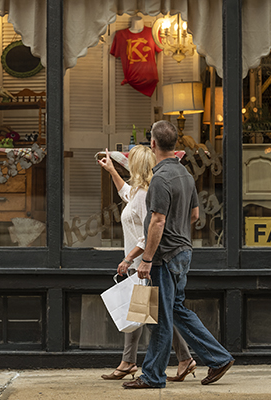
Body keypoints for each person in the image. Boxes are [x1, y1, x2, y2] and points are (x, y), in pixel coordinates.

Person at [121, 120, 234, 389]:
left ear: (153, 143)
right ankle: (218, 358)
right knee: (175, 310)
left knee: (160, 317)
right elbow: (195, 215)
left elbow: (157, 221)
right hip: (184, 253)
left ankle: (152, 376)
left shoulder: (160, 178)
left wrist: (146, 259)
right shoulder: (185, 175)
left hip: (164, 256)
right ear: (175, 145)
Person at [97, 145, 198, 382]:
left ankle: (178, 358)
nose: (127, 167)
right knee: (143, 313)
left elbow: (149, 232)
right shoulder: (138, 192)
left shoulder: (146, 194)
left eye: (129, 164)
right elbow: (125, 193)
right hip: (140, 265)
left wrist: (130, 257)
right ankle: (132, 361)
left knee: (152, 315)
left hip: (145, 264)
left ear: (137, 166)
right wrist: (112, 171)